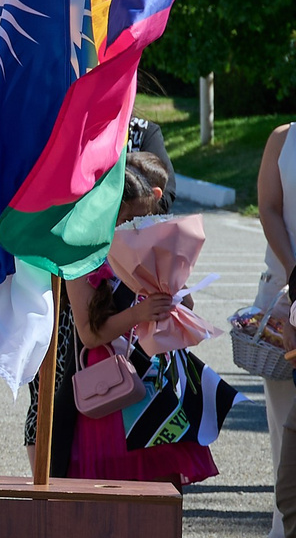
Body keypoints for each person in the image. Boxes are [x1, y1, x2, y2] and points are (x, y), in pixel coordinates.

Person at [31, 151, 219, 489]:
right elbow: (89, 335)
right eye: (132, 220)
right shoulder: (80, 255)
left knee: (158, 491)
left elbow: (186, 304)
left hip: (155, 378)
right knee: (109, 491)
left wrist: (172, 284)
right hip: (109, 382)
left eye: (145, 221)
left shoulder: (152, 243)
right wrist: (138, 313)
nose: (138, 229)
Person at [253, 123, 296, 538]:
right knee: (282, 417)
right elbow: (267, 207)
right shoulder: (283, 138)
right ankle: (287, 522)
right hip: (284, 290)